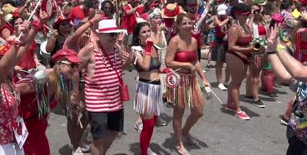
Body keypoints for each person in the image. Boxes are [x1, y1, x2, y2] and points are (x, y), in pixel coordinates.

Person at [0, 12, 47, 154]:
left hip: (14, 142)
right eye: (4, 56)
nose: (11, 61)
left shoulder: (7, 78)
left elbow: (25, 48)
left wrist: (36, 26)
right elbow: (3, 68)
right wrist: (16, 42)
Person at [266, 23, 307, 154]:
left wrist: (278, 46)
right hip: (300, 134)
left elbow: (298, 72)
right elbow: (286, 76)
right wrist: (271, 50)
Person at [77, 19, 132, 155]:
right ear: (99, 35)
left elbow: (118, 70)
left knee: (114, 131)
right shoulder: (90, 50)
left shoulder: (117, 48)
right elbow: (73, 70)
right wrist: (75, 91)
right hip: (97, 102)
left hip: (115, 100)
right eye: (110, 34)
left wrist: (129, 61)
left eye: (115, 34)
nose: (114, 37)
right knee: (98, 138)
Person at [165, 13, 209, 155]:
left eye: (190, 23)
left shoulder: (194, 41)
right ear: (178, 26)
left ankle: (185, 131)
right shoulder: (174, 41)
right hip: (179, 80)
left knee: (199, 111)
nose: (188, 26)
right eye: (184, 23)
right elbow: (168, 62)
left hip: (192, 79)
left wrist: (203, 77)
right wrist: (186, 64)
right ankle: (179, 143)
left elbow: (195, 61)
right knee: (179, 113)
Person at [131, 22, 168, 155]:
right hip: (145, 88)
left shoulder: (154, 48)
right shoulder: (136, 50)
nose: (147, 34)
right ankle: (143, 152)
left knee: (154, 121)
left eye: (148, 31)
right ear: (137, 36)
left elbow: (158, 67)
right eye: (143, 32)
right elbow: (146, 66)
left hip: (157, 88)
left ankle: (145, 147)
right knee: (149, 124)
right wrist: (147, 47)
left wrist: (167, 70)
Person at [224, 2, 254, 120]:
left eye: (248, 14)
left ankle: (229, 104)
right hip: (234, 56)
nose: (247, 16)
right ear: (237, 15)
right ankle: (237, 109)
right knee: (236, 83)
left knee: (236, 82)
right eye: (245, 14)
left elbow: (249, 41)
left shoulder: (245, 27)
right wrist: (248, 49)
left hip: (244, 55)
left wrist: (251, 51)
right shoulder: (234, 28)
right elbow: (231, 46)